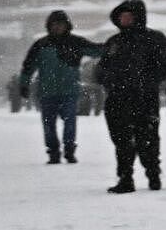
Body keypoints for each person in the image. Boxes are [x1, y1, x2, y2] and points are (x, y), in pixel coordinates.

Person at [95, 0, 166, 194]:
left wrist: (148, 80)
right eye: (122, 16)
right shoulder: (114, 42)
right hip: (117, 98)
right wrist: (107, 80)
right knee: (121, 140)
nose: (124, 20)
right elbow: (102, 67)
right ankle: (125, 178)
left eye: (129, 16)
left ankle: (153, 173)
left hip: (144, 98)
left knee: (147, 138)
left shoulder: (155, 39)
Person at [19, 10, 105, 164]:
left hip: (68, 92)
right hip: (48, 93)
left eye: (60, 24)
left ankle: (69, 150)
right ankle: (54, 152)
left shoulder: (75, 43)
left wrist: (114, 46)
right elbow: (28, 67)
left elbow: (96, 50)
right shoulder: (41, 45)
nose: (57, 27)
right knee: (50, 125)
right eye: (55, 24)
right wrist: (23, 84)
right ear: (49, 26)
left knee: (68, 123)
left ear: (67, 25)